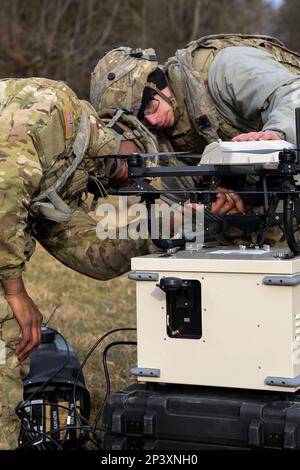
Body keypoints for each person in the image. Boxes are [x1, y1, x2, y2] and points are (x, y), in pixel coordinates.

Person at [0, 76, 158, 449]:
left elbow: (92, 254)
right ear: (117, 129)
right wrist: (15, 290)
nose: (135, 171)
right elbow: (5, 190)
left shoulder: (70, 174)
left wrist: (168, 228)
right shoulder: (56, 108)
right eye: (137, 156)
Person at [90, 35, 300, 226]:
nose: (153, 120)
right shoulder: (162, 144)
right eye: (142, 120)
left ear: (155, 82)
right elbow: (172, 205)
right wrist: (195, 211)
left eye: (150, 106)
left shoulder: (224, 68)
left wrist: (277, 135)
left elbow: (291, 93)